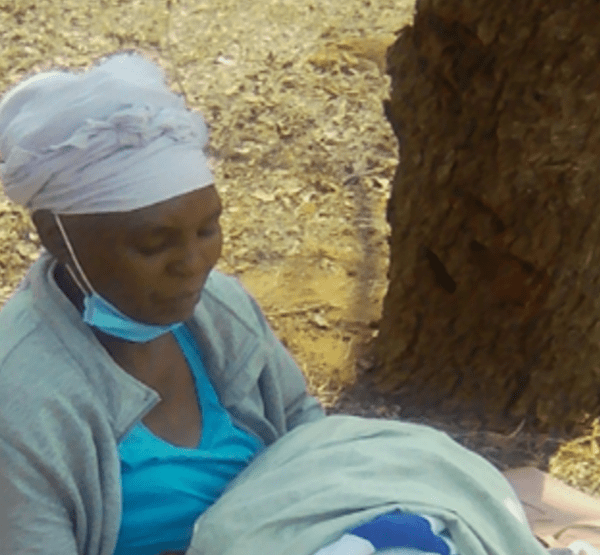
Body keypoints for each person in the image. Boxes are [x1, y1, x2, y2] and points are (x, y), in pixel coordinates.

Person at [0, 51, 593, 555]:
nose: (193, 263)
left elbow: (307, 439)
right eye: (154, 243)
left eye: (208, 230)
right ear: (56, 236)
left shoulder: (217, 311)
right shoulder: (22, 405)